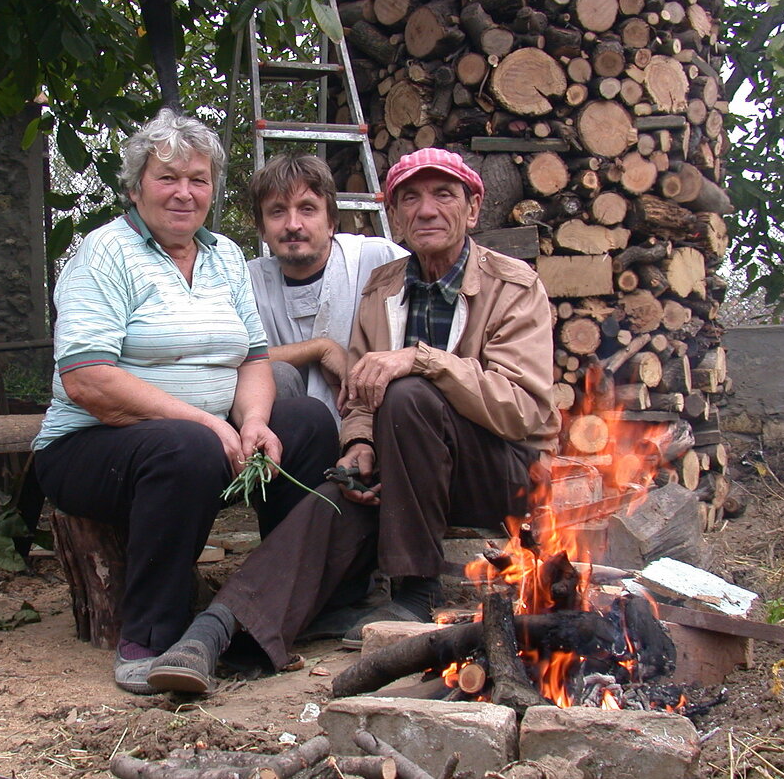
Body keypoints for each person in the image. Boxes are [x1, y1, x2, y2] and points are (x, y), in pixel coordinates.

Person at [143, 147, 560, 694]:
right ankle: (217, 634)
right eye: (410, 197)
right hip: (414, 476)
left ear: (474, 209)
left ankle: (416, 590)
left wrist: (422, 359)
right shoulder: (385, 284)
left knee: (410, 392)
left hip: (504, 474)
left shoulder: (514, 284)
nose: (426, 209)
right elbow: (362, 394)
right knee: (332, 499)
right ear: (394, 215)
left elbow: (523, 407)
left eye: (444, 195)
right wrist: (359, 443)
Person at [31, 109, 337, 696]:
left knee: (307, 423)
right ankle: (150, 636)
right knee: (188, 446)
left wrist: (252, 423)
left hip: (198, 435)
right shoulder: (104, 254)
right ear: (134, 186)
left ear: (213, 190)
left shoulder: (223, 256)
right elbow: (88, 380)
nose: (184, 192)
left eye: (198, 179)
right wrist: (206, 422)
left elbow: (252, 358)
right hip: (89, 450)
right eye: (166, 177)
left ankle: (273, 609)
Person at [246, 155, 407, 423]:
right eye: (277, 211)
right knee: (275, 376)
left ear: (331, 221)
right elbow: (232, 360)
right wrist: (320, 348)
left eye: (307, 209)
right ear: (262, 228)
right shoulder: (248, 282)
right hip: (291, 438)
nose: (293, 224)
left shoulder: (379, 261)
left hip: (379, 423)